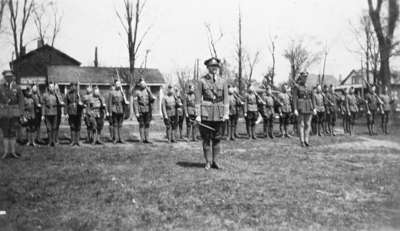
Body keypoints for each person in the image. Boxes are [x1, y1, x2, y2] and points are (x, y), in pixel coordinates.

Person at [195, 57, 229, 170]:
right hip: (206, 114)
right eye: (212, 67)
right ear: (208, 68)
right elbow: (198, 99)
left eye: (216, 67)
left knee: (217, 138)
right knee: (206, 139)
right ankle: (208, 162)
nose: (214, 69)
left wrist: (226, 113)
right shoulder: (202, 81)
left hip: (219, 113)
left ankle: (215, 161)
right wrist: (198, 115)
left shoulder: (223, 81)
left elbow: (226, 99)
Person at [0, 71, 24, 159]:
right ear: (4, 78)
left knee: (13, 133)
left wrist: (21, 113)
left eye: (10, 77)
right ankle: (6, 152)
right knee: (5, 133)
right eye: (7, 77)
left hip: (14, 113)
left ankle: (13, 152)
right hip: (4, 114)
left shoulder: (17, 88)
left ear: (13, 77)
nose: (9, 78)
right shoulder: (1, 87)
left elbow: (21, 101)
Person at [293, 72, 316, 147]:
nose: (305, 78)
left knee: (308, 124)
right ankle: (302, 141)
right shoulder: (297, 86)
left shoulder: (310, 86)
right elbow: (294, 98)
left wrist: (314, 108)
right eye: (303, 77)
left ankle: (306, 140)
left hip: (309, 106)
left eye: (306, 77)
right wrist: (295, 109)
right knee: (301, 124)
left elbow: (313, 97)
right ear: (301, 77)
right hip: (301, 106)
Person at [133, 78, 155, 143]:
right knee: (141, 124)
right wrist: (136, 112)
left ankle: (147, 139)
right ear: (140, 85)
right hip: (140, 110)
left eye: (144, 83)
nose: (143, 85)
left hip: (148, 110)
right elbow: (135, 103)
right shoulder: (137, 92)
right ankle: (142, 139)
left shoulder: (148, 91)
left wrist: (150, 92)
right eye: (141, 84)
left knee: (147, 124)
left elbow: (152, 100)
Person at [108, 80, 128, 144]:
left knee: (120, 125)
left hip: (121, 110)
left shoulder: (122, 92)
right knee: (115, 125)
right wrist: (110, 112)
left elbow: (125, 102)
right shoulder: (111, 92)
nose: (118, 85)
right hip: (114, 110)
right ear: (115, 85)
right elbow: (110, 103)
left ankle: (121, 138)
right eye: (117, 84)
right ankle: (116, 138)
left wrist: (125, 99)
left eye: (119, 84)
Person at [65, 82, 83, 146]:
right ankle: (72, 141)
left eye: (75, 86)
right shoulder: (68, 94)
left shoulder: (79, 94)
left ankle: (77, 141)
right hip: (71, 112)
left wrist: (81, 103)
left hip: (78, 112)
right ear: (70, 87)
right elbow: (66, 104)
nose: (73, 87)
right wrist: (66, 113)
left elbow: (83, 102)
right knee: (72, 126)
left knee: (78, 126)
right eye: (72, 86)